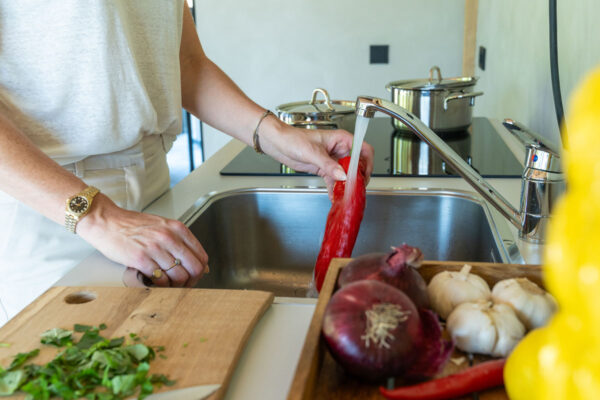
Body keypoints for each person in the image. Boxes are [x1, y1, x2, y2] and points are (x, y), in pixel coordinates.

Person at [0, 1, 374, 326]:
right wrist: (98, 216)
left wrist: (277, 134)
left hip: (154, 194)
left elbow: (185, 63)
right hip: (54, 209)